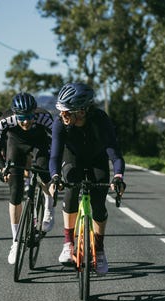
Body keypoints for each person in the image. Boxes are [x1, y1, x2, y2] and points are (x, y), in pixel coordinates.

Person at [48, 82, 126, 275]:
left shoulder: (101, 120)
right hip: (71, 158)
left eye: (67, 112)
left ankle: (99, 250)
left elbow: (115, 155)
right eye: (62, 111)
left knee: (99, 203)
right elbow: (55, 157)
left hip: (97, 158)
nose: (62, 115)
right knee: (71, 188)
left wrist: (118, 177)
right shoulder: (60, 123)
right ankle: (68, 243)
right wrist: (55, 177)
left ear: (81, 111)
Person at [0, 92, 55, 264]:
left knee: (44, 173)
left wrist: (56, 169)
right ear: (15, 114)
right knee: (15, 193)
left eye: (29, 116)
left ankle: (49, 207)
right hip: (16, 146)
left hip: (39, 145)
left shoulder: (44, 117)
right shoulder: (5, 120)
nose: (26, 121)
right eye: (22, 117)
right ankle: (15, 242)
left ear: (34, 112)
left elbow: (58, 142)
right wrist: (2, 168)